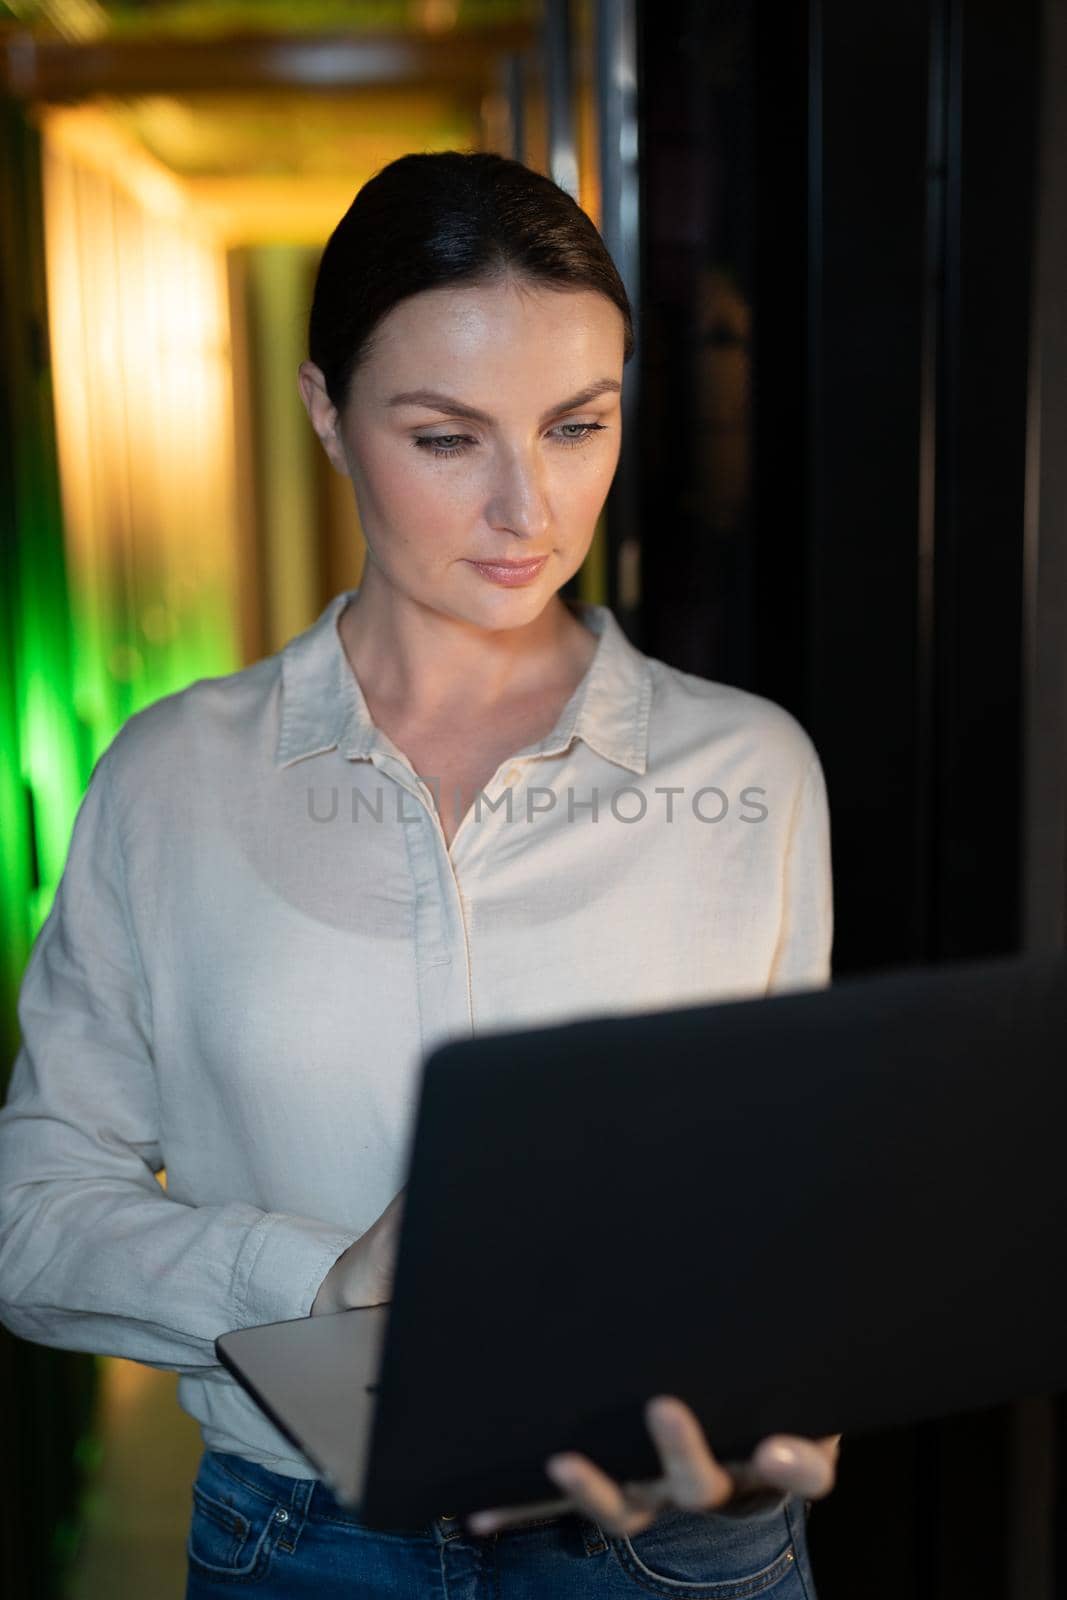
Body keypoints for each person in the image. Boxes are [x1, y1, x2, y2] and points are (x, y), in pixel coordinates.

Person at [0, 151, 839, 1597]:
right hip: (301, 1540)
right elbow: (33, 1218)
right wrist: (313, 1286)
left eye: (578, 425)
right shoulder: (168, 779)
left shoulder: (754, 775)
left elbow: (798, 1206)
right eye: (448, 438)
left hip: (675, 1551)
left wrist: (796, 1395)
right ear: (327, 413)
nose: (529, 507)